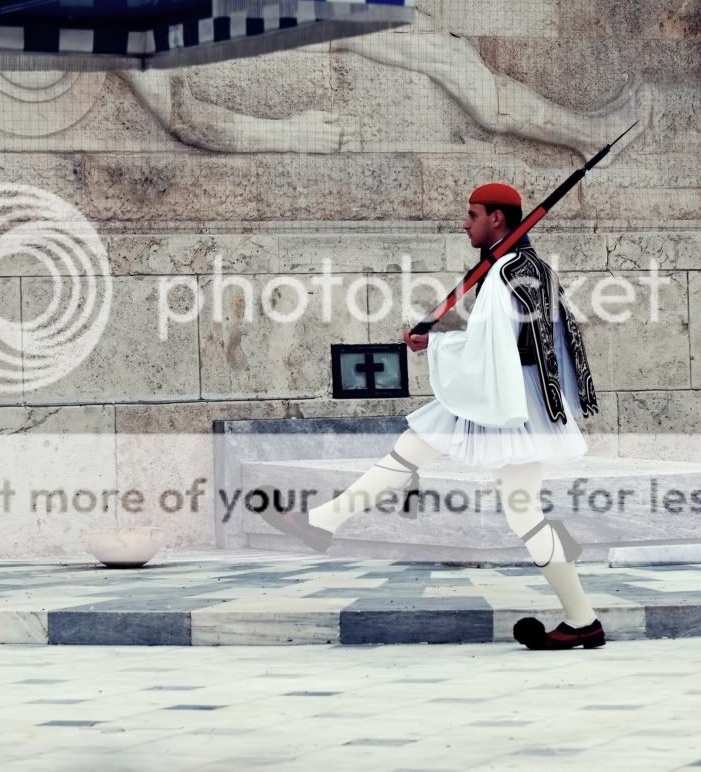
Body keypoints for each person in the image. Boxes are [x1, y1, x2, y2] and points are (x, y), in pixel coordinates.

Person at [258, 181, 606, 650]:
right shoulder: (532, 267)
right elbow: (525, 338)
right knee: (455, 473)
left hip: (498, 400)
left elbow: (491, 344)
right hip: (516, 399)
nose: (466, 223)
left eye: (473, 214)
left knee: (501, 499)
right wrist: (442, 336)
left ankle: (323, 523)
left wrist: (435, 340)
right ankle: (582, 620)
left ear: (497, 219)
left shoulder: (506, 272)